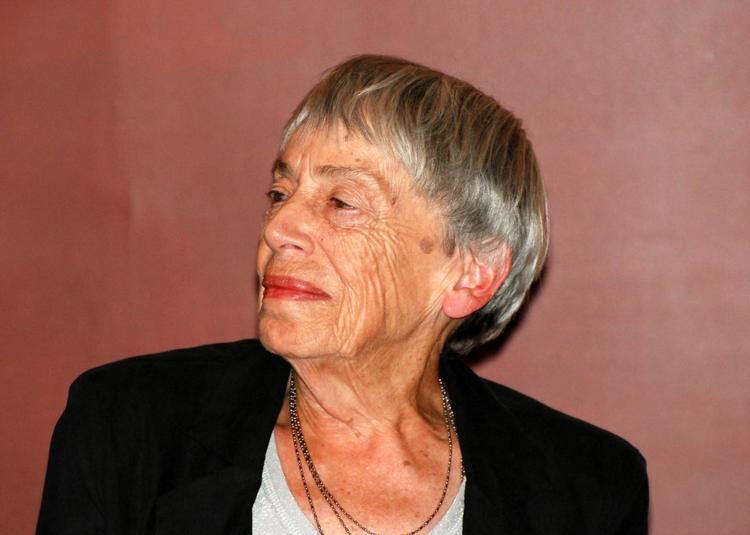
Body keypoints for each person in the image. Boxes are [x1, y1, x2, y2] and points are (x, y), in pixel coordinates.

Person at [37, 55, 648, 534]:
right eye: (280, 194)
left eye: (341, 202)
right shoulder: (129, 428)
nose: (279, 229)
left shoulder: (586, 488)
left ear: (470, 273)